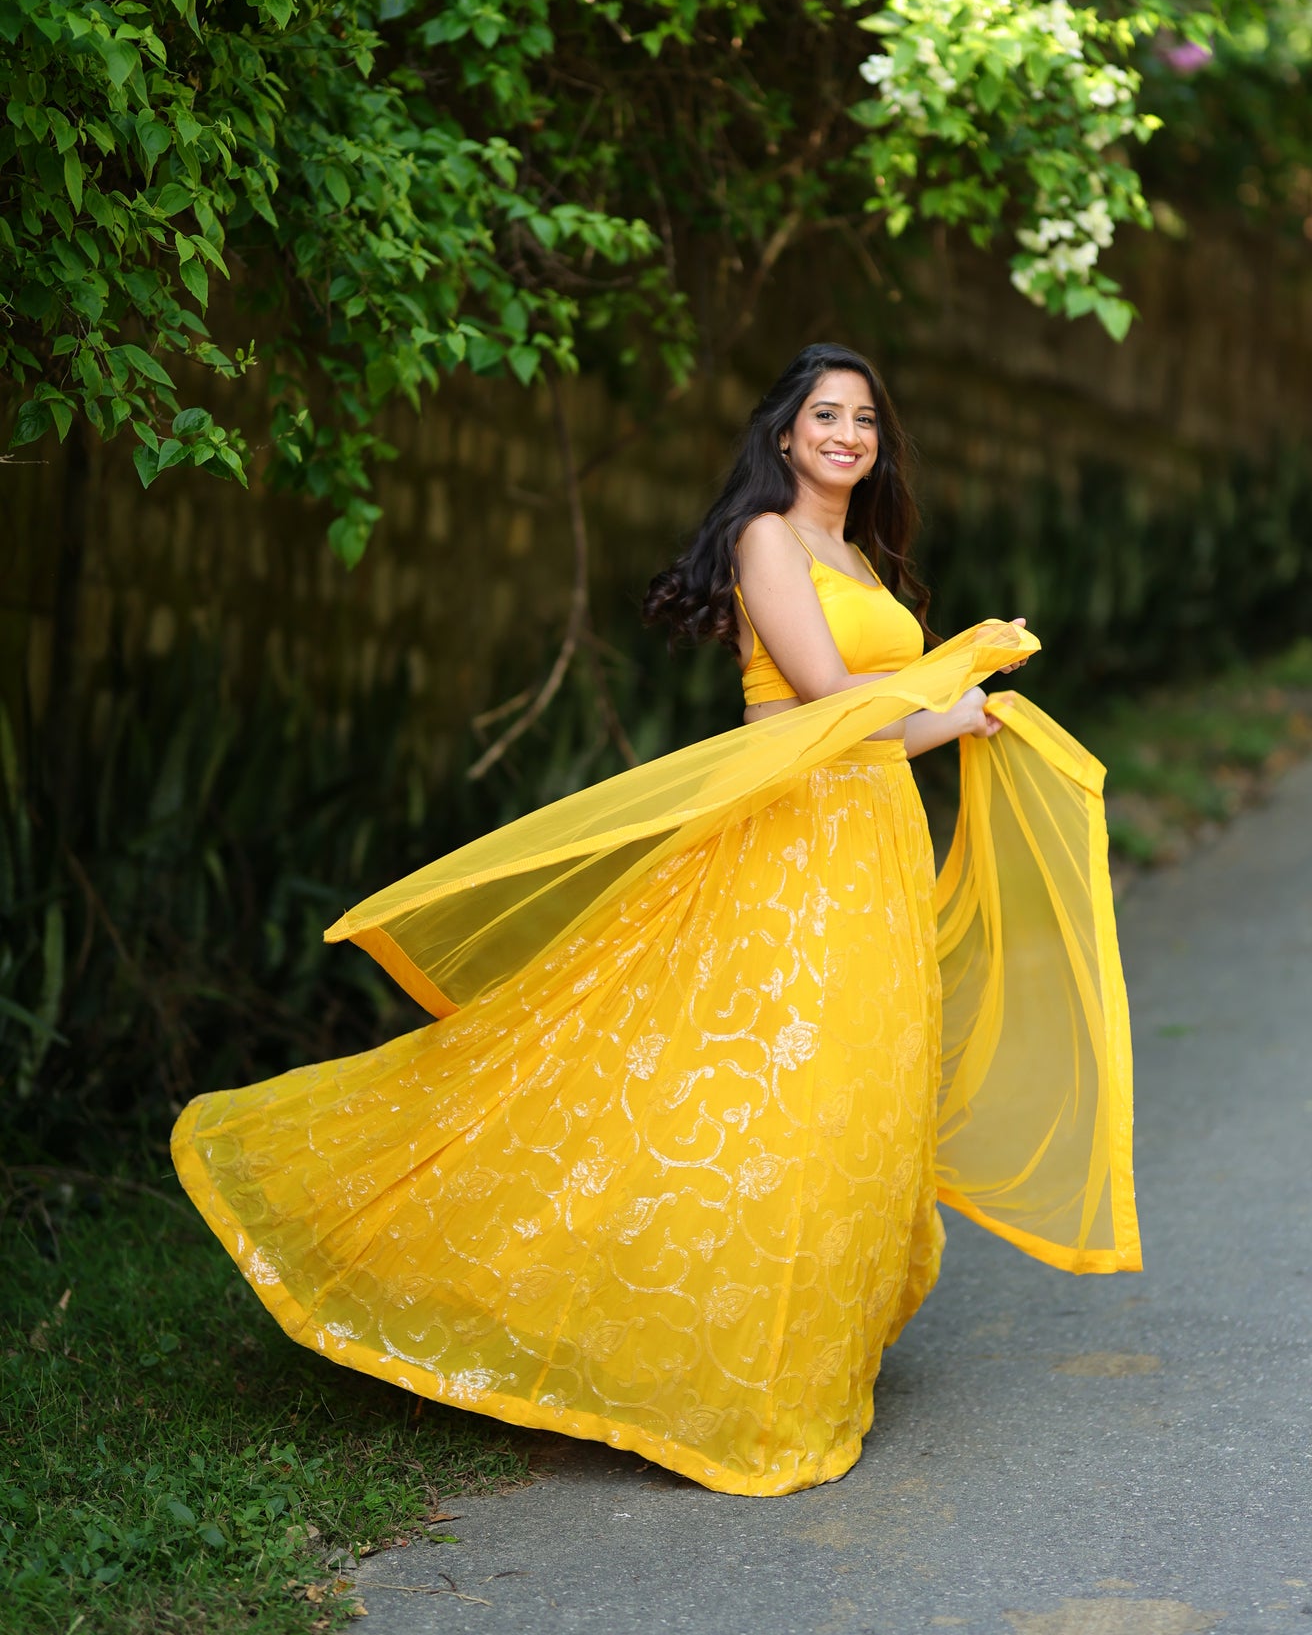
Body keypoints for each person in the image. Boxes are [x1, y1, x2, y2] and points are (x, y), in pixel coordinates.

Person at [173, 344, 1138, 1499]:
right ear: (782, 436)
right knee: (731, 1085)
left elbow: (881, 734)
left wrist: (970, 714)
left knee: (846, 1094)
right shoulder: (766, 538)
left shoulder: (862, 553)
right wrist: (954, 665)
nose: (846, 433)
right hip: (785, 850)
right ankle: (702, 1361)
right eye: (823, 414)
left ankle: (798, 1351)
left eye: (865, 418)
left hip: (870, 846)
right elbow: (829, 703)